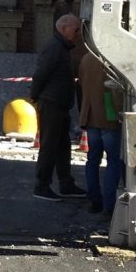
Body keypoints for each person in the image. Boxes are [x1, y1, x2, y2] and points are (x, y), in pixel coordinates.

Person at [30, 13, 87, 201]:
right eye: (76, 29)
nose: (78, 34)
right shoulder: (54, 47)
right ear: (64, 29)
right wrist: (35, 96)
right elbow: (41, 74)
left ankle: (66, 184)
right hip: (51, 104)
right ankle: (42, 186)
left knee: (63, 146)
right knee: (49, 146)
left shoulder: (62, 47)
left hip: (60, 105)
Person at [78, 51, 123, 215]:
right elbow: (116, 90)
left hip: (90, 115)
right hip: (109, 117)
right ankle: (109, 206)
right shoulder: (113, 58)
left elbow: (81, 83)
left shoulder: (86, 58)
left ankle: (94, 201)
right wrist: (121, 112)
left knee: (92, 160)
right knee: (114, 161)